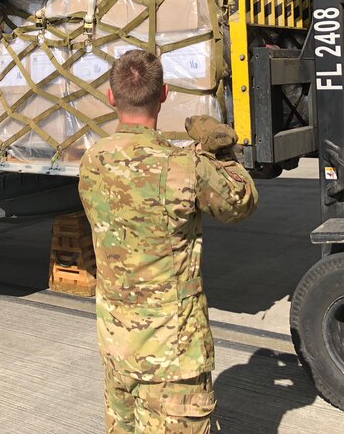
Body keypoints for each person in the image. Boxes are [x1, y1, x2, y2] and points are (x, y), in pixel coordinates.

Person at [79, 50, 258, 434]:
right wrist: (220, 150)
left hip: (117, 348)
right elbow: (241, 202)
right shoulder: (183, 166)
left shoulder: (93, 160)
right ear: (163, 94)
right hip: (172, 356)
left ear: (111, 98)